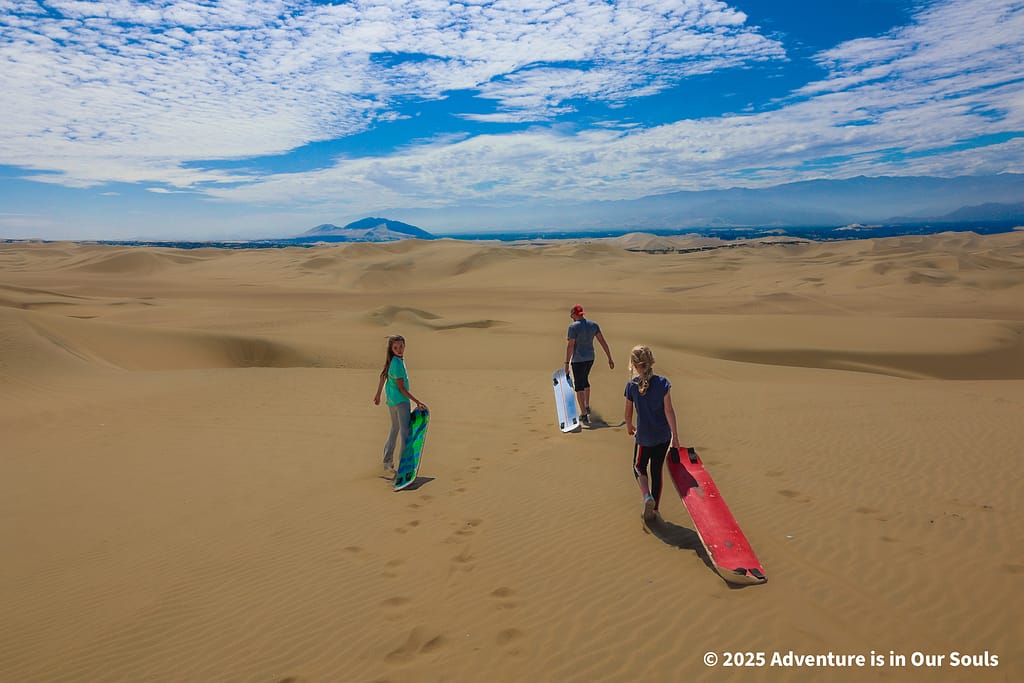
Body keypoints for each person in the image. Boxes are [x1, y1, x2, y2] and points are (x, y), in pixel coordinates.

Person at [623, 345, 681, 523]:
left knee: (638, 466)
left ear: (634, 364)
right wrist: (675, 436)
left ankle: (647, 496)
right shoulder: (663, 383)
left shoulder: (632, 385)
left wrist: (629, 426)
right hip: (663, 437)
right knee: (656, 471)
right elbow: (669, 411)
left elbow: (628, 411)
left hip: (644, 437)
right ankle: (655, 509)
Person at [373, 335, 427, 478]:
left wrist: (378, 394)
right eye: (396, 347)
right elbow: (401, 388)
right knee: (405, 432)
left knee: (395, 429)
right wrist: (417, 401)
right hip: (401, 401)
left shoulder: (393, 361)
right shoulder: (397, 364)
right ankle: (404, 465)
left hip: (392, 402)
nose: (399, 349)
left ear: (405, 346)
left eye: (401, 346)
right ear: (391, 349)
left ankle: (387, 461)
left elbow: (383, 376)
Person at [565, 304, 614, 424]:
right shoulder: (593, 325)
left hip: (578, 360)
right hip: (590, 358)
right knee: (585, 380)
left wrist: (566, 363)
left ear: (574, 315)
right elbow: (602, 341)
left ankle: (583, 413)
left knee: (579, 385)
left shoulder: (573, 327)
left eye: (572, 315)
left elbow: (571, 345)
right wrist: (609, 358)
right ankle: (586, 405)